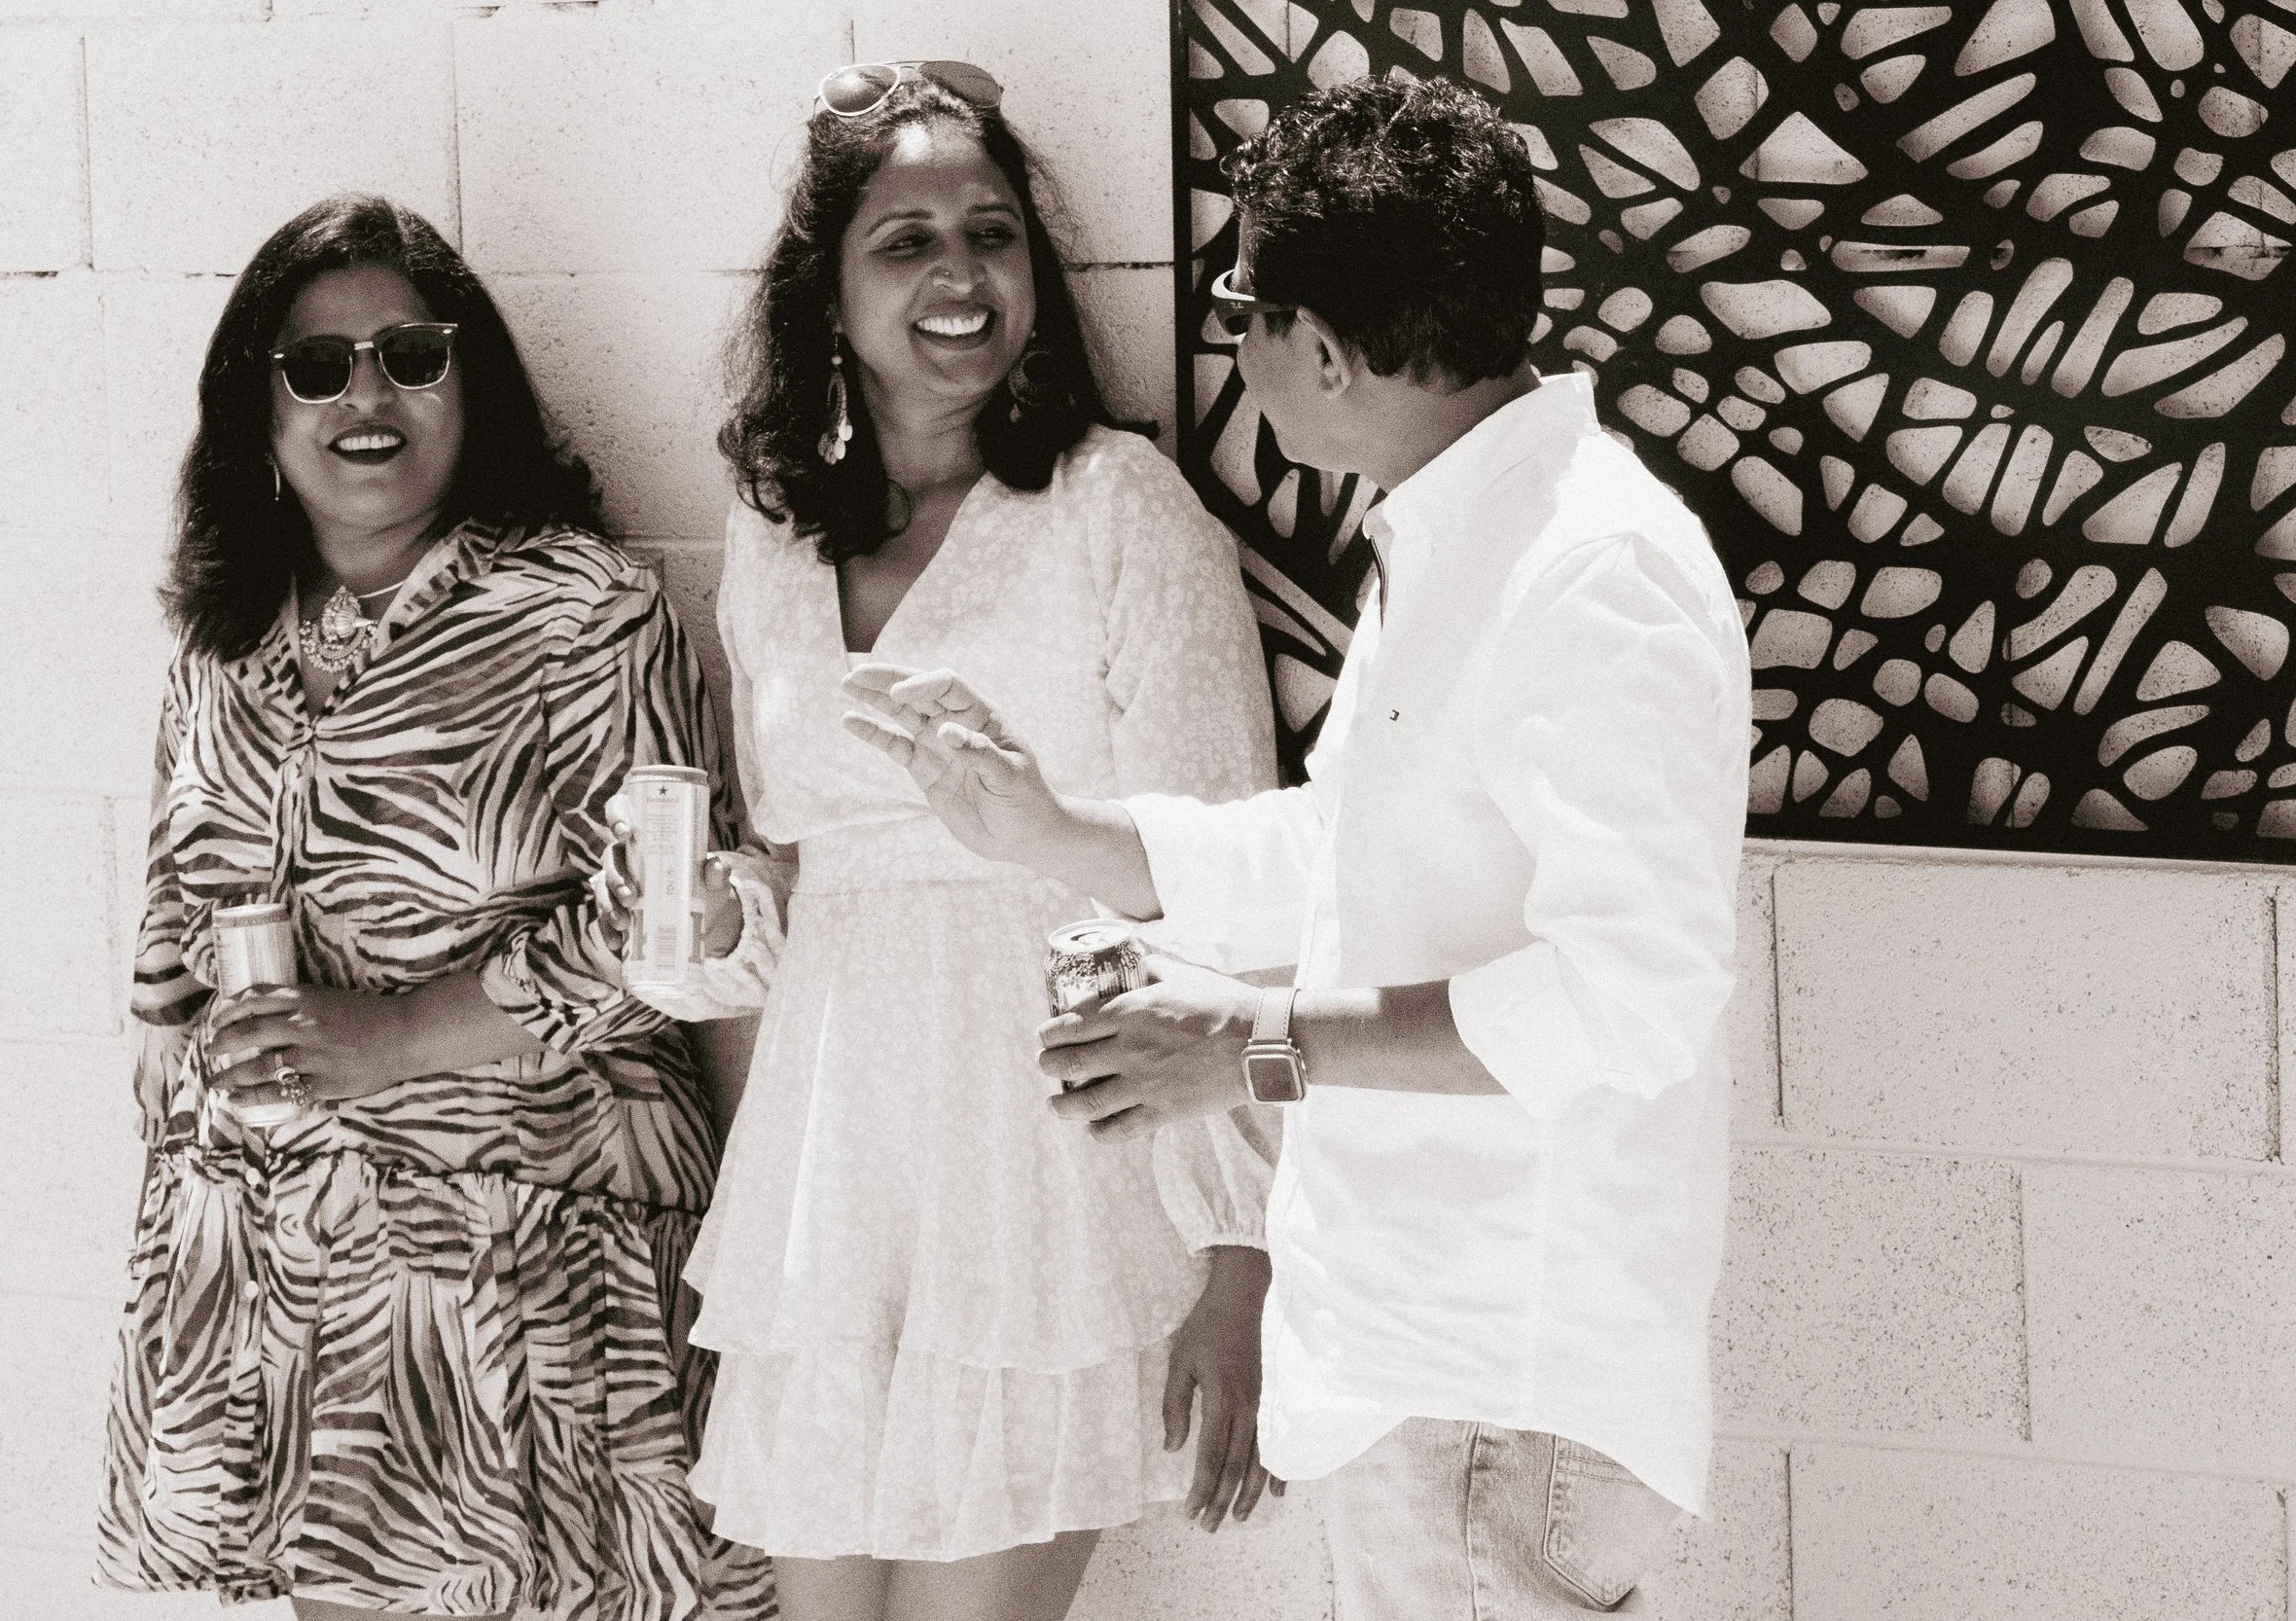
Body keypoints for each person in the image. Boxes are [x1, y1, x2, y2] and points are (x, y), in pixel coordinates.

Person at [846, 76, 1752, 1619]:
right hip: (1434, 1381)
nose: (1234, 339)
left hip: (1497, 1389)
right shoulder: (1464, 537)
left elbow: (1630, 997)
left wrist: (1252, 1044)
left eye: (1242, 306)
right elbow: (1343, 853)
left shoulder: (1590, 570)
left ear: (1323, 352)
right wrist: (1056, 829)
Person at [655, 58, 1284, 1621]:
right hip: (835, 1169)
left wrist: (1243, 1254)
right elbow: (810, 868)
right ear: (829, 294)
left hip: (1047, 1160)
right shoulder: (771, 535)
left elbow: (1234, 881)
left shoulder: (1116, 505)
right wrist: (719, 916)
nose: (961, 272)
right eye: (907, 240)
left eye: (991, 232)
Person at [93, 194, 771, 1621]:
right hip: (278, 1265)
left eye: (411, 356)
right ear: (255, 407)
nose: (367, 396)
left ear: (473, 386)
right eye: (316, 365)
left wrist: (395, 1035)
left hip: (521, 1268)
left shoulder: (587, 611)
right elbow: (170, 912)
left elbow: (668, 936)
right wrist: (178, 1084)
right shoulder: (223, 639)